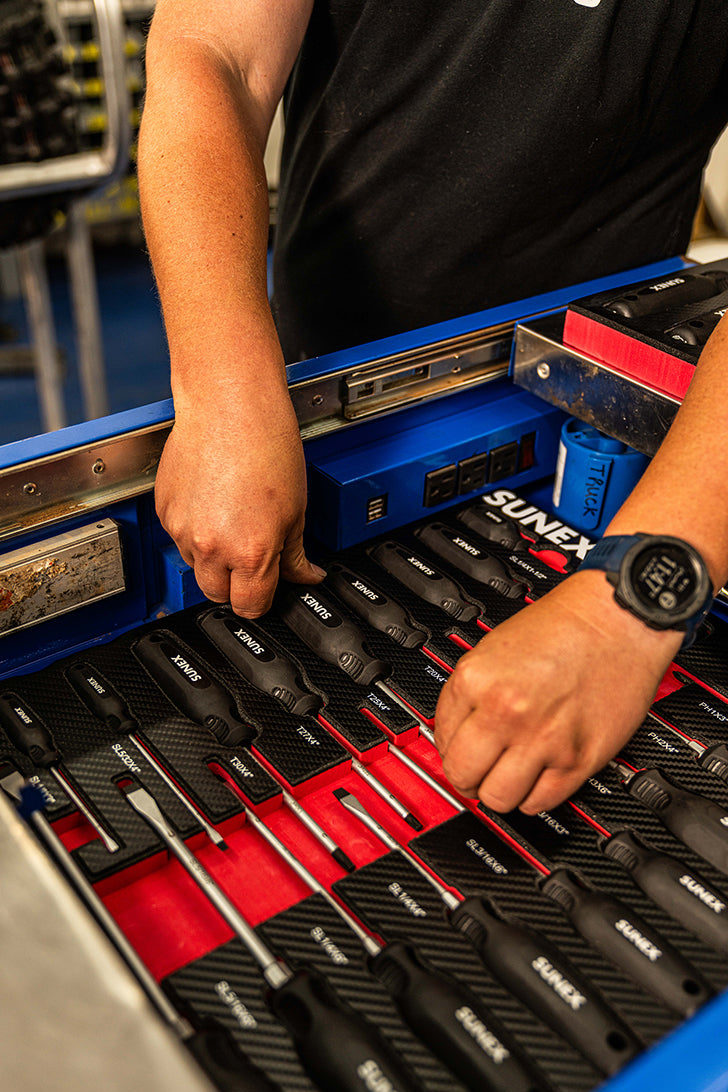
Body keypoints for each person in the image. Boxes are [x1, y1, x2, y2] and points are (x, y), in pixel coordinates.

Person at [137, 0, 728, 818]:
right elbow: (215, 53)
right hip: (317, 371)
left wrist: (626, 610)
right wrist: (225, 390)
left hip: (613, 396)